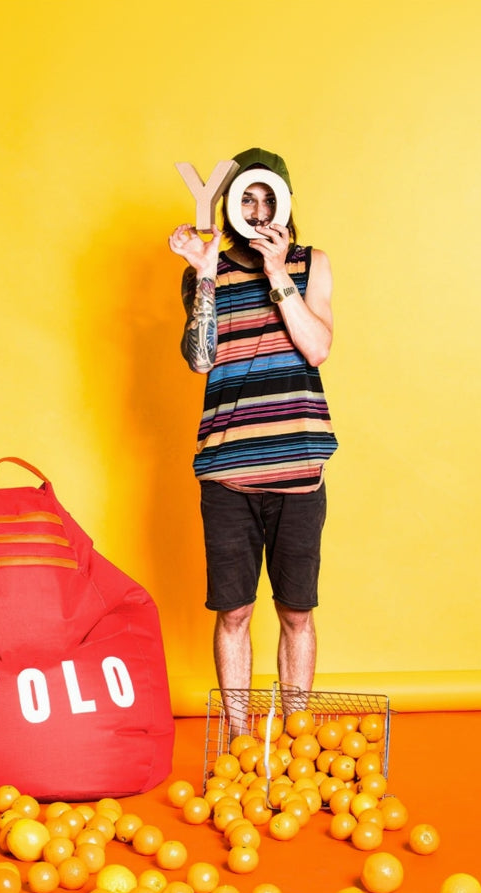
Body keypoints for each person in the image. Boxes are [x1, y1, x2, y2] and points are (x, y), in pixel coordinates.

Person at [167, 147, 338, 739]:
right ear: (231, 205)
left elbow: (316, 348)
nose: (259, 211)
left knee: (296, 611)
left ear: (286, 200)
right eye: (247, 199)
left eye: (268, 199)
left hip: (299, 469)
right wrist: (207, 273)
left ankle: (294, 737)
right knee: (234, 611)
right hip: (227, 472)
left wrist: (275, 273)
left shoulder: (312, 264)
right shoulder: (206, 268)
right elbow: (200, 359)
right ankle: (240, 743)